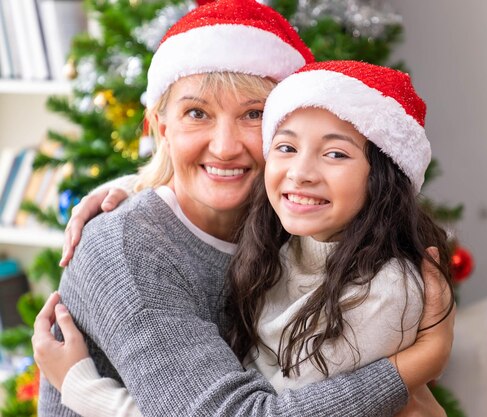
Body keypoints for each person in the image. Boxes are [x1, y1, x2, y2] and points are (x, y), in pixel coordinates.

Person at [33, 1, 454, 417]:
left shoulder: (295, 226)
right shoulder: (130, 247)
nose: (225, 147)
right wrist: (416, 365)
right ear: (163, 130)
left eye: (253, 114)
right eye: (196, 113)